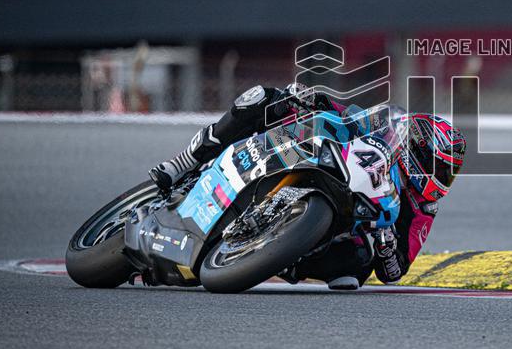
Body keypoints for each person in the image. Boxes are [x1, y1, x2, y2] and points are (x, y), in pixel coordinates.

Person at [149, 84, 466, 290]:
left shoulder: (421, 208)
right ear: (414, 148)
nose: (440, 177)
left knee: (355, 268)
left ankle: (279, 250)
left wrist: (384, 241)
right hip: (317, 156)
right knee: (263, 98)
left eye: (448, 173)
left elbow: (394, 272)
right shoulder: (385, 127)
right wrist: (311, 99)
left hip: (338, 225)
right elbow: (347, 116)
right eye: (438, 166)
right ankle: (186, 160)